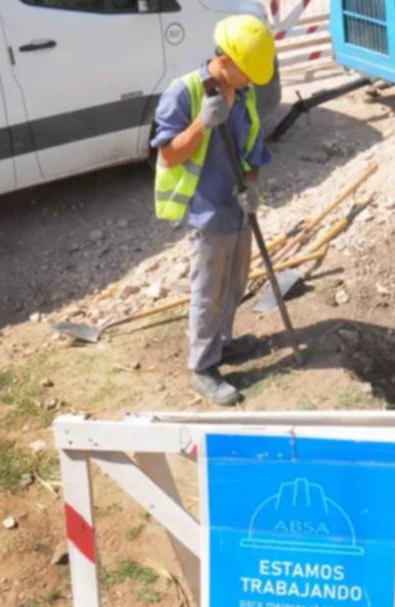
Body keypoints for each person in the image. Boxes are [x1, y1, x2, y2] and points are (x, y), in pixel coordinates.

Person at [151, 15, 275, 405]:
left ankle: (223, 342)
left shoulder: (246, 93)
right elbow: (169, 155)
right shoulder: (184, 93)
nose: (252, 82)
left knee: (235, 283)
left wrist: (253, 185)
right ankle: (203, 367)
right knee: (208, 291)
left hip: (237, 206)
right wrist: (202, 124)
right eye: (246, 73)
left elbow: (253, 146)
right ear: (225, 61)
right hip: (207, 209)